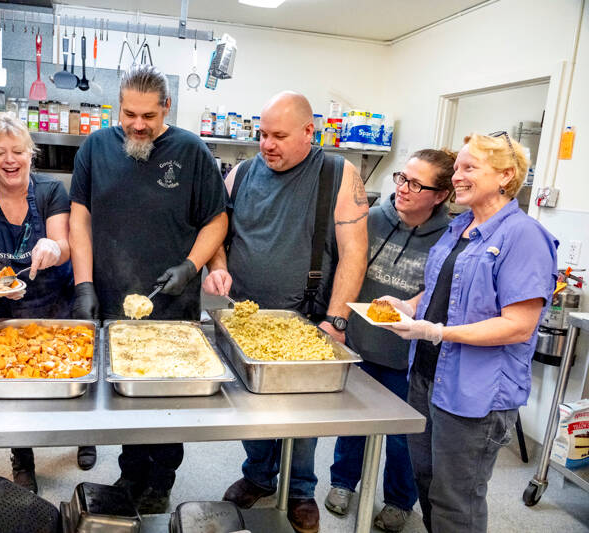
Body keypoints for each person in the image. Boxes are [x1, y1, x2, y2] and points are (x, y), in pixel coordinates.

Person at [203, 91, 369, 533]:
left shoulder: (337, 174)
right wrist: (217, 268)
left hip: (308, 316)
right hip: (243, 317)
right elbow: (218, 231)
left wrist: (337, 320)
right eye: (262, 134)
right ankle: (258, 475)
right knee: (249, 404)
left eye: (279, 135)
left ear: (308, 132)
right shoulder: (240, 173)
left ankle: (299, 489)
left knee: (304, 414)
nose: (267, 144)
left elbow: (355, 252)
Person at [380, 132, 558, 533]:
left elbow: (518, 324)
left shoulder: (523, 236)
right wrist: (410, 307)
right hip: (428, 377)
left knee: (456, 499)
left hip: (476, 393)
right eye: (457, 167)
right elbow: (451, 286)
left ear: (506, 175)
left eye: (469, 167)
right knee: (426, 482)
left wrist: (438, 331)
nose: (456, 176)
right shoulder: (460, 226)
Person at [69, 65, 228, 513]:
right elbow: (79, 216)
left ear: (166, 109)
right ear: (118, 107)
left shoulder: (192, 151)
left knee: (171, 396)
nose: (138, 125)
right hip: (113, 292)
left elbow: (217, 217)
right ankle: (130, 470)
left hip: (172, 298)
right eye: (128, 114)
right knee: (125, 393)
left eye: (148, 116)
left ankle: (162, 479)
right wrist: (83, 282)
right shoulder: (97, 148)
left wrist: (191, 266)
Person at [324, 149, 455, 532]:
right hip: (360, 345)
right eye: (401, 178)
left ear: (441, 195)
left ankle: (399, 500)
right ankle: (342, 483)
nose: (403, 188)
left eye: (416, 184)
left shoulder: (449, 237)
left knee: (403, 439)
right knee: (351, 425)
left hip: (407, 356)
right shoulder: (371, 218)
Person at [0, 113, 75, 493]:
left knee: (67, 373)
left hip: (54, 300)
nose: (9, 160)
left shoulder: (51, 191)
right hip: (8, 307)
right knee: (15, 384)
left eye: (18, 151)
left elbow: (64, 248)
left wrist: (52, 246)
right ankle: (23, 457)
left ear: (32, 154)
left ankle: (84, 437)